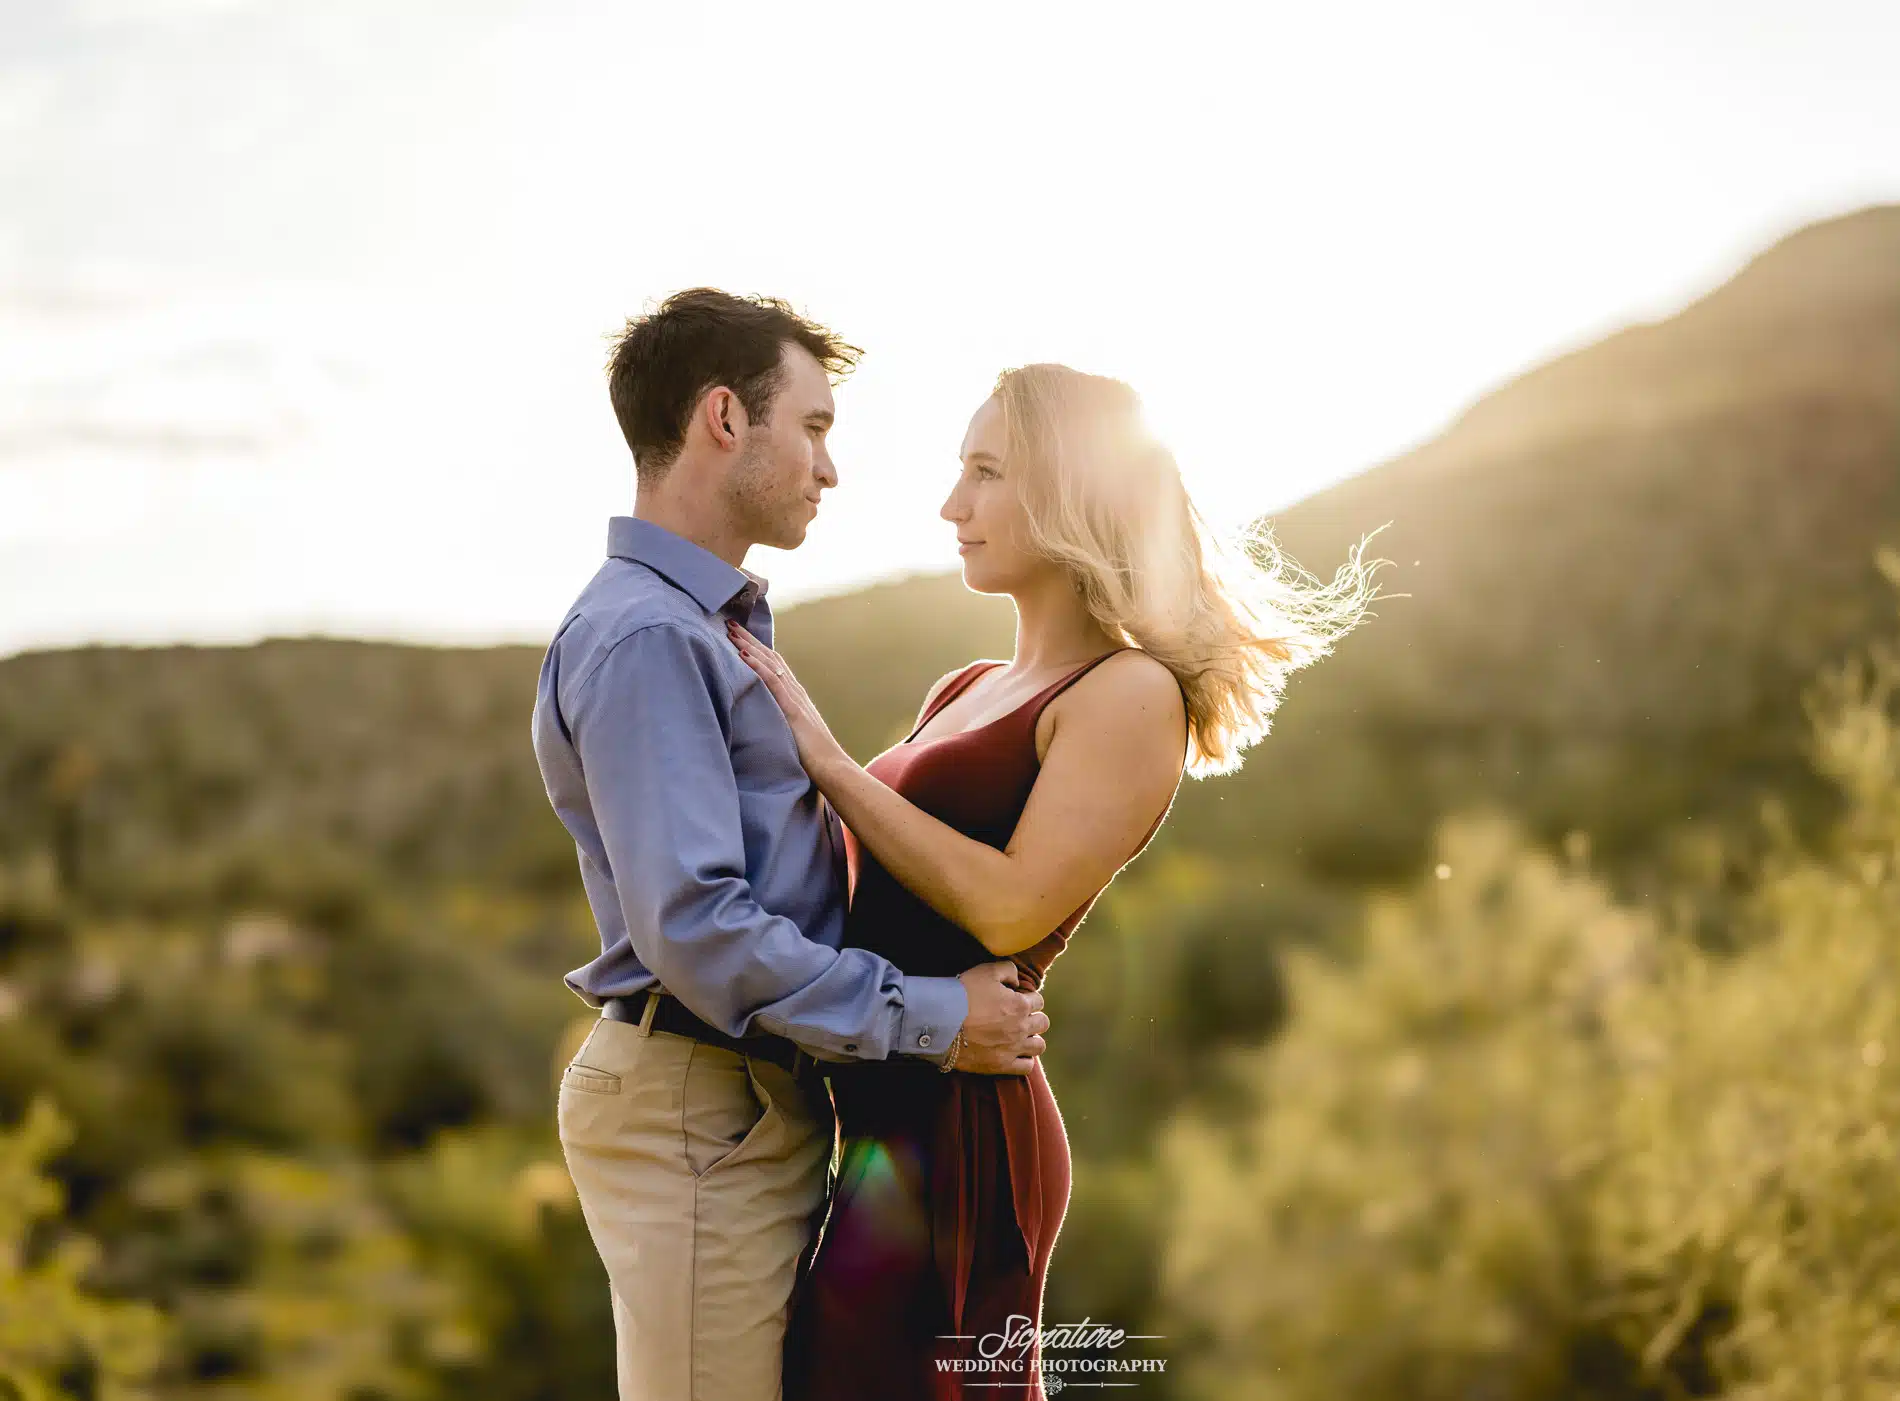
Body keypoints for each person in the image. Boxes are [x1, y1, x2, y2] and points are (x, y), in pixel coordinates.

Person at [730, 363, 1382, 1401]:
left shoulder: (1127, 693)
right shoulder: (969, 687)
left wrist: (829, 762)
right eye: (960, 471)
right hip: (881, 1121)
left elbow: (1007, 905)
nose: (954, 504)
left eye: (986, 472)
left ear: (1074, 493)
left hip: (964, 1137)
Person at [531, 288, 1050, 1401]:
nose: (829, 468)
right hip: (694, 1101)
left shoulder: (702, 628)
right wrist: (940, 1019)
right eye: (812, 428)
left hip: (733, 1097)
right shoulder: (649, 638)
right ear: (726, 419)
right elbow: (700, 931)